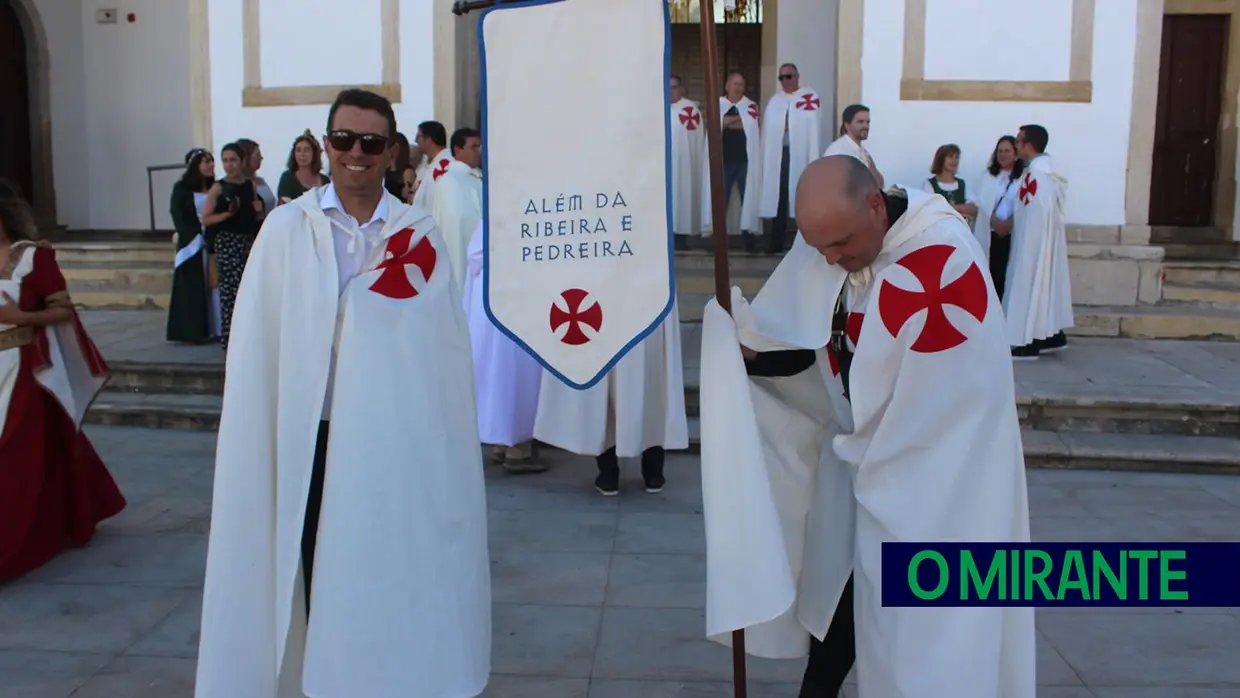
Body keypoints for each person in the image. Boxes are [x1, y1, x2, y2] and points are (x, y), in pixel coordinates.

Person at [697, 155, 1035, 698]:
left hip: (938, 493)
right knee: (841, 596)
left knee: (922, 643)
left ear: (875, 204)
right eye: (818, 247)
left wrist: (876, 468)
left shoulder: (943, 266)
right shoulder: (831, 242)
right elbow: (802, 343)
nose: (831, 258)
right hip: (859, 471)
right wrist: (739, 347)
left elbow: (946, 416)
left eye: (841, 244)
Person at [194, 89, 491, 698]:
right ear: (326, 146)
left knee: (383, 573)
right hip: (308, 441)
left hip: (392, 446)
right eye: (343, 140)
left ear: (391, 151)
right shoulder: (285, 230)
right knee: (306, 571)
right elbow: (258, 346)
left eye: (371, 142)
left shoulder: (419, 236)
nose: (356, 153)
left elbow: (441, 356)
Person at [0, 188, 125, 581]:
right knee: (47, 450)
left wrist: (20, 316)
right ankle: (76, 508)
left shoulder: (32, 256)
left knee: (15, 453)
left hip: (25, 370)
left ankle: (14, 546)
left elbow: (62, 311)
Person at [533, 308, 689, 496]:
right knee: (650, 384)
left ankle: (608, 473)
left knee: (606, 385)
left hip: (610, 303)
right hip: (645, 304)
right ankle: (653, 471)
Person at [462, 220, 545, 473]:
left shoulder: (491, 209)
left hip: (488, 294)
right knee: (517, 372)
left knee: (493, 370)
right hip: (515, 292)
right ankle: (518, 448)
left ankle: (500, 440)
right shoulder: (519, 206)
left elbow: (476, 253)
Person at [1005, 124, 1073, 359]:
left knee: (1031, 283)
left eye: (1018, 140)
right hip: (1037, 242)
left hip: (1033, 245)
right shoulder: (1042, 172)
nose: (1015, 144)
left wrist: (1028, 247)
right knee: (1043, 285)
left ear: (1028, 144)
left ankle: (1028, 339)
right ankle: (1049, 335)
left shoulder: (1038, 176)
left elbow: (1038, 214)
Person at [201, 142, 261, 349]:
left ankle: (249, 336)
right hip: (227, 242)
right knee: (229, 293)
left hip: (246, 241)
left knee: (249, 290)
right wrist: (226, 214)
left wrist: (258, 208)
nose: (229, 165)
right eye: (225, 160)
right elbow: (206, 218)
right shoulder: (218, 187)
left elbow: (255, 214)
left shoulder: (249, 185)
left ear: (242, 161)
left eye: (233, 160)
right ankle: (230, 337)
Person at [758, 63, 822, 254]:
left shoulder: (810, 98)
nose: (785, 81)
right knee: (779, 197)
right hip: (779, 155)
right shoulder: (775, 101)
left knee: (801, 196)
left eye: (789, 76)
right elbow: (770, 128)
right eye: (782, 78)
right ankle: (775, 241)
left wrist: (790, 125)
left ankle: (803, 245)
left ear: (797, 76)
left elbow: (811, 127)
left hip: (801, 156)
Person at [700, 72, 763, 251]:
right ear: (727, 85)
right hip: (723, 160)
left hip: (745, 161)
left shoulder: (749, 106)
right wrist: (736, 120)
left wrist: (727, 122)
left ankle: (749, 240)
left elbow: (750, 125)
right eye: (735, 83)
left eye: (741, 84)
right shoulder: (718, 105)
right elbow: (714, 124)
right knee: (721, 200)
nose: (738, 87)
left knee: (747, 197)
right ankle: (718, 241)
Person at [166, 148, 217, 343]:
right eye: (206, 161)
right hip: (192, 243)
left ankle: (213, 328)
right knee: (191, 286)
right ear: (196, 165)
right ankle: (190, 331)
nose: (211, 165)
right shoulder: (182, 188)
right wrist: (194, 235)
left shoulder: (215, 187)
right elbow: (178, 214)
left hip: (210, 239)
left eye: (211, 161)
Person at [973, 135, 1025, 300]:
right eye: (1000, 151)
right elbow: (981, 203)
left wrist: (1010, 223)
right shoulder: (989, 176)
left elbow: (1024, 204)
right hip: (992, 234)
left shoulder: (1024, 176)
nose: (1003, 154)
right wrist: (995, 221)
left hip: (1013, 234)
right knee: (992, 275)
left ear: (1015, 153)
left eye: (1007, 151)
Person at [432, 127, 483, 289]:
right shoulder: (449, 182)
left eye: (480, 146)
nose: (479, 151)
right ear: (458, 150)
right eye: (474, 146)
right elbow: (453, 225)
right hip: (459, 256)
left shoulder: (477, 177)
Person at [668, 74, 704, 251]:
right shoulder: (655, 108)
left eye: (674, 87)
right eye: (667, 87)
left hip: (684, 166)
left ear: (681, 89)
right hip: (663, 168)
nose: (670, 91)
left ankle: (680, 238)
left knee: (681, 197)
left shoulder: (689, 110)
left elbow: (695, 141)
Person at [823, 104, 884, 189]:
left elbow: (878, 181)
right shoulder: (838, 150)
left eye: (867, 122)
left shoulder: (863, 152)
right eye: (860, 122)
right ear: (847, 125)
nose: (866, 126)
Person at [922, 144, 979, 225]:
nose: (954, 160)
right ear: (941, 159)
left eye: (957, 157)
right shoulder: (929, 185)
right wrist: (960, 209)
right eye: (950, 157)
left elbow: (974, 209)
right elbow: (930, 210)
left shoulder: (963, 184)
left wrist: (950, 208)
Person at [277, 130, 331, 204]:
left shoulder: (325, 180)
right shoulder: (287, 178)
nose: (302, 154)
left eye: (306, 150)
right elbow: (283, 208)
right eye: (298, 150)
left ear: (314, 154)